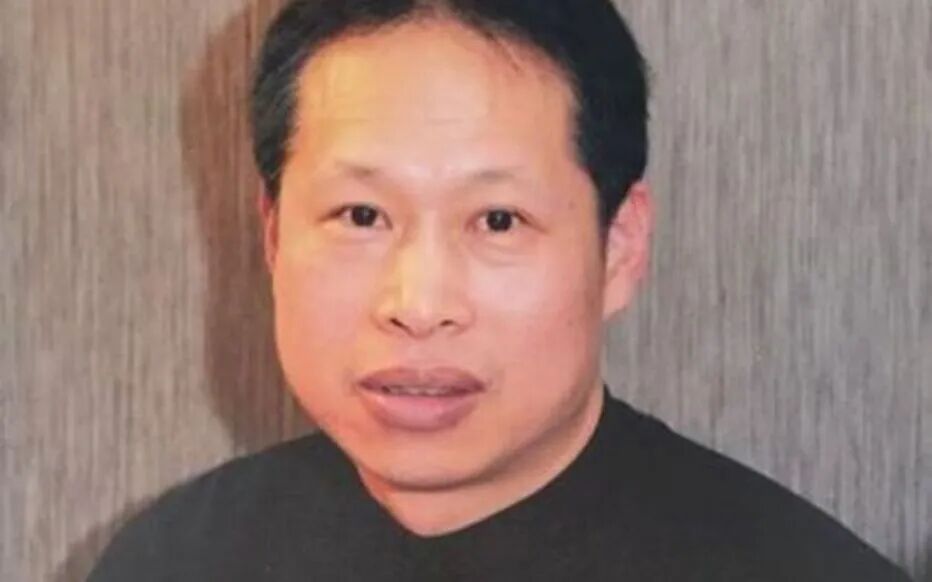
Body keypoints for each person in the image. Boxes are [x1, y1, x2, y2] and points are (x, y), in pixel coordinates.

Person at [89, 1, 911, 580]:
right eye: (362, 215)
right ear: (273, 237)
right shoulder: (171, 560)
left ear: (619, 246)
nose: (418, 303)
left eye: (498, 221)